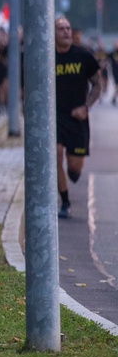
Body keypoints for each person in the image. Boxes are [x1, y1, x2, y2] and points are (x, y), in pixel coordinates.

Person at [54, 16, 103, 219]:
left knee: (74, 168)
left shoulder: (83, 55)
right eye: (61, 28)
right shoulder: (47, 57)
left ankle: (71, 173)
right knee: (55, 154)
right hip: (55, 116)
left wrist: (86, 107)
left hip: (77, 117)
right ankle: (65, 201)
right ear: (53, 34)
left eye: (68, 28)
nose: (66, 31)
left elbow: (97, 84)